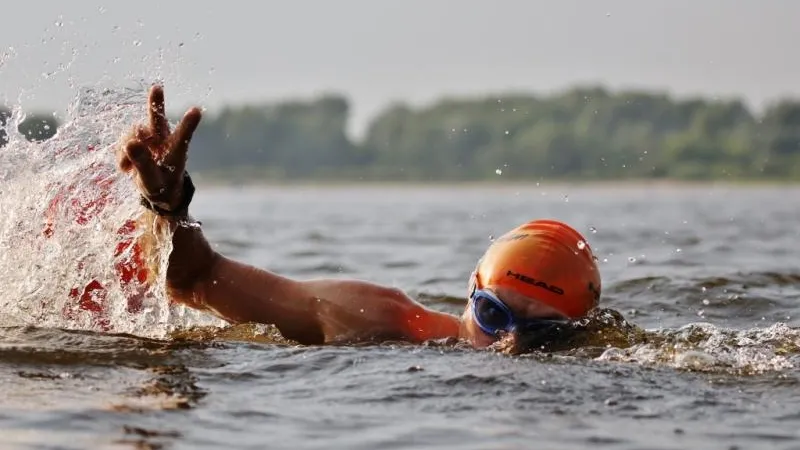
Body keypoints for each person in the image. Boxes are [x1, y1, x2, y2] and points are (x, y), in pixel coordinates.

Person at [116, 85, 602, 350]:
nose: (510, 345)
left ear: (582, 332)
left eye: (544, 334)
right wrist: (168, 208)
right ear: (471, 292)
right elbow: (199, 280)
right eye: (494, 316)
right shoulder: (379, 318)